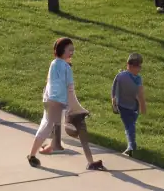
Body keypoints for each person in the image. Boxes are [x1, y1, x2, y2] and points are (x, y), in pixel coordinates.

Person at [28, 37, 104, 171]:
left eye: (73, 50)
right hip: (57, 102)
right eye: (70, 50)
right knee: (53, 127)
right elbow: (70, 90)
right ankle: (33, 155)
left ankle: (46, 149)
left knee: (49, 125)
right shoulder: (65, 67)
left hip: (50, 100)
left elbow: (49, 84)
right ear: (62, 50)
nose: (72, 53)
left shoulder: (54, 63)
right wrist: (77, 108)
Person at [111, 52, 146, 155]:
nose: (138, 69)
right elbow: (114, 89)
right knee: (129, 125)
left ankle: (131, 145)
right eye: (136, 67)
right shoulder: (121, 76)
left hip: (134, 107)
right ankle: (131, 145)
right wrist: (114, 101)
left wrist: (141, 105)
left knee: (130, 125)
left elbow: (139, 93)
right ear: (128, 65)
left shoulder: (138, 78)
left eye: (139, 67)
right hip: (123, 106)